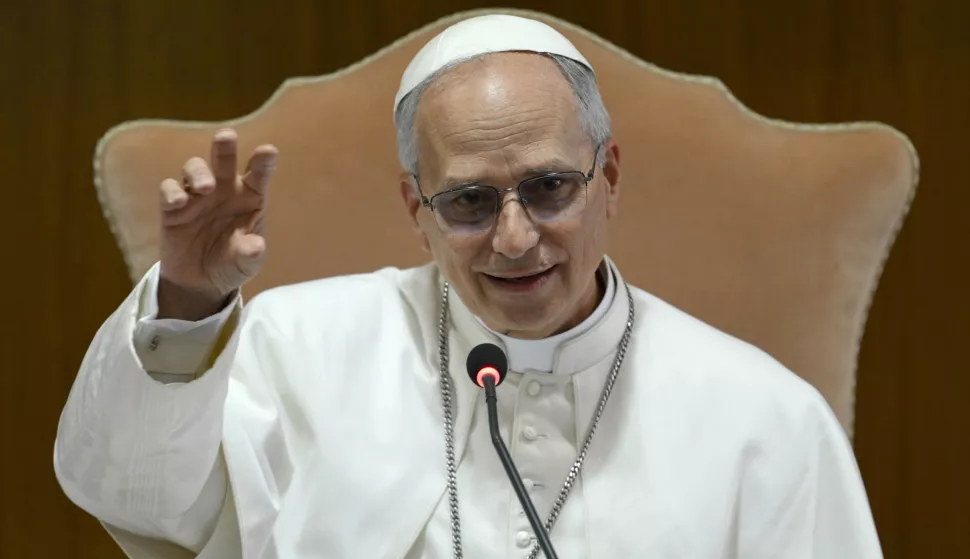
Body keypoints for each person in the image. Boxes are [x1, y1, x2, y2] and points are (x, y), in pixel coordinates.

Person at [54, 14, 883, 559]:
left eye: (551, 187)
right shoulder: (300, 348)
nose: (515, 238)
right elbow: (139, 496)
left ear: (610, 177)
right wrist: (189, 306)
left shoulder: (766, 421)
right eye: (470, 202)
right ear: (417, 207)